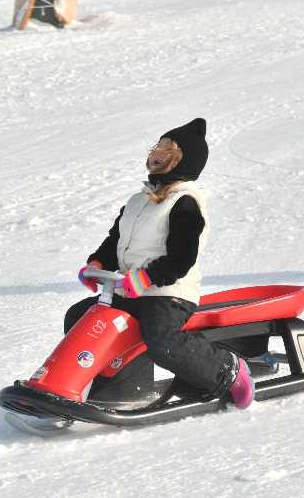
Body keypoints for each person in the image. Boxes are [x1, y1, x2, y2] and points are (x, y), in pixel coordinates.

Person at [68, 118, 255, 410]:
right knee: (81, 317)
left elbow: (182, 259)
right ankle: (117, 387)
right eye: (157, 146)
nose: (156, 153)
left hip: (168, 294)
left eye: (168, 150)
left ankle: (226, 370)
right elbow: (116, 240)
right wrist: (97, 262)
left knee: (161, 339)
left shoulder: (185, 202)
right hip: (129, 289)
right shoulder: (137, 201)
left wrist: (145, 278)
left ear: (183, 162)